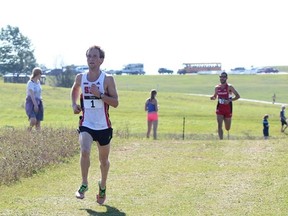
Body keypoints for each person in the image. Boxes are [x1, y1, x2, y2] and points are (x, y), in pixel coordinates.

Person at [71, 45, 119, 205]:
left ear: (101, 60)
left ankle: (103, 186)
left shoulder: (108, 79)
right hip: (87, 123)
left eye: (94, 56)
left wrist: (100, 95)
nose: (91, 59)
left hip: (104, 126)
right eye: (88, 56)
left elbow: (116, 103)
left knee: (103, 161)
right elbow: (75, 89)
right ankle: (84, 184)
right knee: (84, 151)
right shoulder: (80, 77)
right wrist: (74, 104)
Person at [210, 71, 240, 139]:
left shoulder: (230, 87)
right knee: (219, 125)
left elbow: (238, 96)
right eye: (221, 77)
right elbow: (215, 96)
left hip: (228, 109)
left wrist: (229, 100)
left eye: (224, 77)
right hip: (220, 108)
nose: (222, 78)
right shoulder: (217, 87)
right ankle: (221, 140)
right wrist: (213, 97)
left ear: (226, 78)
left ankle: (227, 126)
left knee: (227, 128)